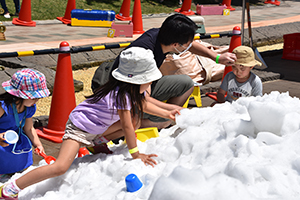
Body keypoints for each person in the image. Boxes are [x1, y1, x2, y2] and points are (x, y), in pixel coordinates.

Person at [0, 47, 181, 199]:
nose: (151, 82)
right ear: (137, 80)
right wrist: (136, 154)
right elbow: (126, 127)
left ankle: (97, 143)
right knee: (60, 167)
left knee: (135, 120)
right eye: (149, 79)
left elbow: (144, 104)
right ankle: (11, 188)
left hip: (96, 127)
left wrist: (169, 110)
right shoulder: (123, 95)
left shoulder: (130, 92)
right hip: (80, 128)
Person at [92, 13, 236, 129]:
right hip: (124, 93)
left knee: (187, 83)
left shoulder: (160, 34)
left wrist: (216, 57)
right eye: (186, 43)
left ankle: (156, 119)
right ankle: (150, 122)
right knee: (156, 120)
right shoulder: (145, 56)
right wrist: (170, 112)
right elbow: (143, 99)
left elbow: (191, 45)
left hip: (140, 88)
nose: (188, 46)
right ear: (175, 44)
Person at [0, 68, 50, 176]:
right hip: (2, 140)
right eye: (34, 97)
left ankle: (16, 171)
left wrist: (38, 145)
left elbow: (29, 128)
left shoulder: (29, 108)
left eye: (38, 98)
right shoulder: (3, 107)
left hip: (14, 138)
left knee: (21, 155)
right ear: (19, 95)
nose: (37, 100)